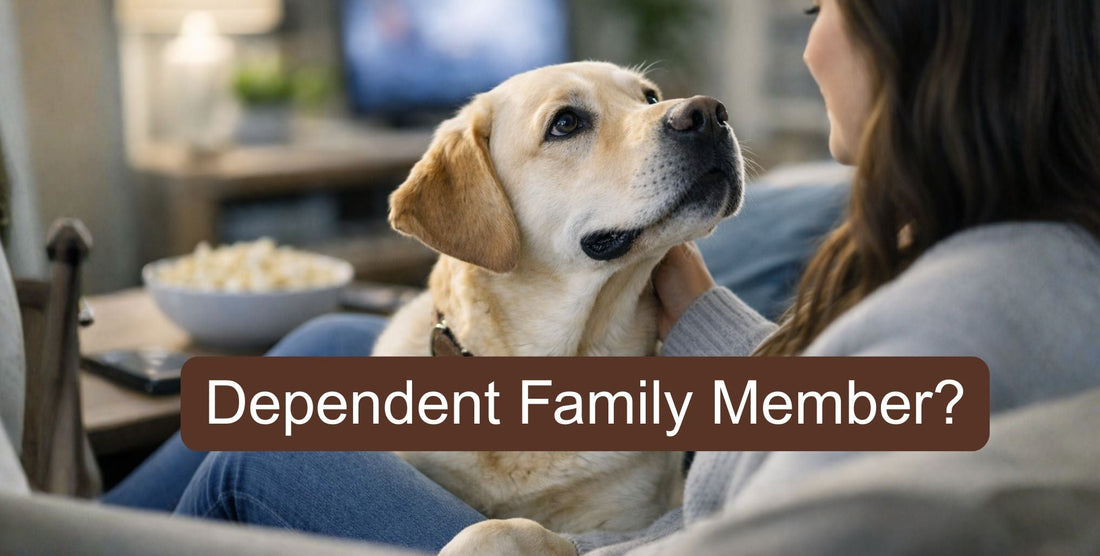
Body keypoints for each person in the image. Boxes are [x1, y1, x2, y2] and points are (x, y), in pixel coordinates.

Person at [104, 0, 1100, 554]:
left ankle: (57, 529)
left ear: (920, 41)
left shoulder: (955, 312)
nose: (806, 40)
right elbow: (844, 420)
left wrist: (530, 543)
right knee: (328, 344)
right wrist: (702, 319)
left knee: (263, 441)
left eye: (821, 4)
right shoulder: (1027, 266)